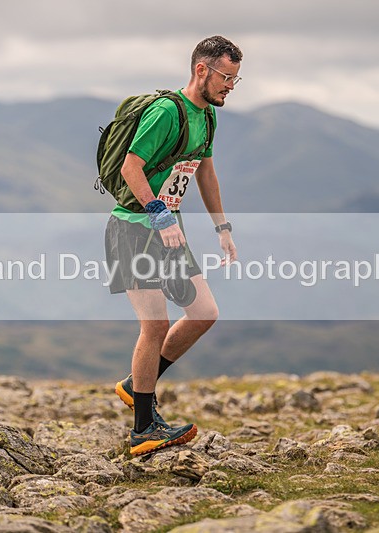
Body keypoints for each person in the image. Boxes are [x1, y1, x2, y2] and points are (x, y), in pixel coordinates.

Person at [105, 35, 242, 456]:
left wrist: (223, 227)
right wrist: (158, 212)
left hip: (170, 230)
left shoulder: (208, 118)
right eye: (225, 77)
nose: (229, 87)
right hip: (134, 227)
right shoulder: (167, 112)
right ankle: (143, 428)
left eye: (236, 80)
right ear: (201, 70)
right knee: (155, 326)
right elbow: (132, 167)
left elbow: (205, 175)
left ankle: (136, 384)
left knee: (204, 313)